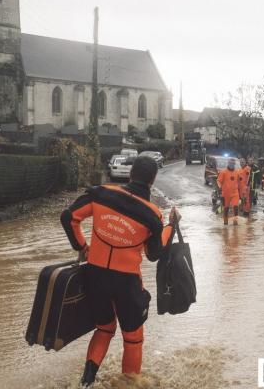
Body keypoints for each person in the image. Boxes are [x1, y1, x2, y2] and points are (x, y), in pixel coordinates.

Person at [60, 156, 181, 388]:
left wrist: (82, 247)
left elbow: (69, 217)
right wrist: (170, 226)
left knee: (104, 329)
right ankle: (128, 384)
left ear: (130, 173)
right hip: (127, 283)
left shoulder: (100, 193)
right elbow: (154, 254)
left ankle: (86, 381)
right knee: (133, 338)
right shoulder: (152, 215)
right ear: (153, 180)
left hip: (94, 276)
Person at [217, 157, 241, 225]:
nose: (231, 165)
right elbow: (219, 181)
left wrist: (243, 192)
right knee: (226, 209)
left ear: (234, 164)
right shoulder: (223, 172)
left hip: (235, 192)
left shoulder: (237, 172)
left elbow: (240, 183)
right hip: (225, 193)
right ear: (228, 163)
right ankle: (225, 223)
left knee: (236, 208)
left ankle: (235, 223)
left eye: (232, 163)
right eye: (230, 163)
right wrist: (219, 187)